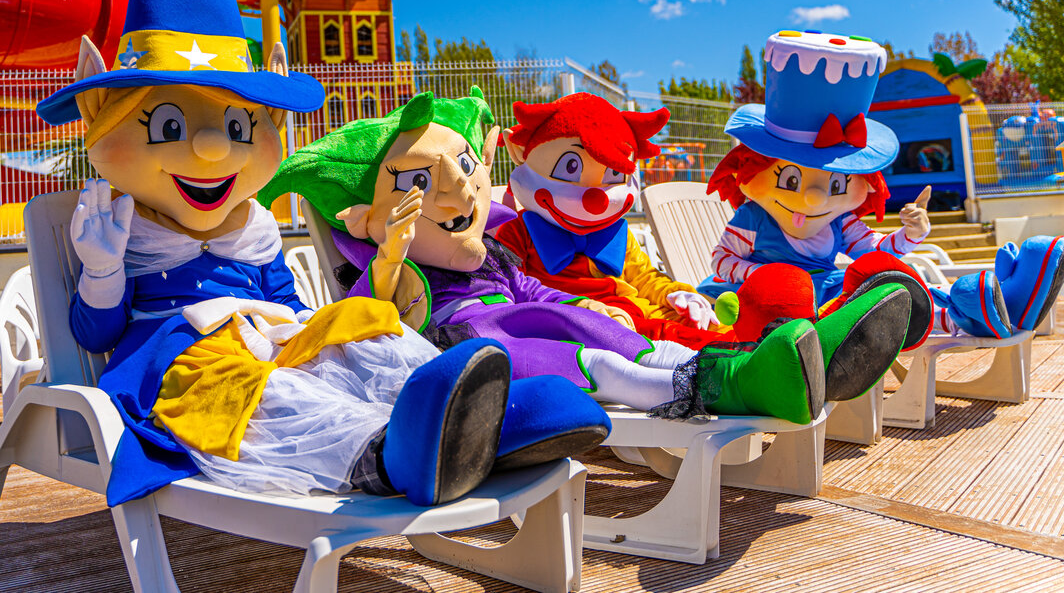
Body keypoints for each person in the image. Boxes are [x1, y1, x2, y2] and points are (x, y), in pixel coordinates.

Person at [35, 0, 607, 508]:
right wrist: (103, 270)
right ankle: (383, 454)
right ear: (100, 120)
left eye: (238, 125)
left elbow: (284, 299)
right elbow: (95, 334)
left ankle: (490, 420)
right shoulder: (120, 226)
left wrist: (332, 332)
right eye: (168, 125)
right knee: (251, 393)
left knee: (361, 322)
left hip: (272, 334)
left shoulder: (252, 228)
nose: (213, 148)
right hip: (178, 357)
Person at [262, 88, 915, 424]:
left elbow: (536, 291)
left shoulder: (492, 250)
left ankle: (774, 356)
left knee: (622, 338)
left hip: (565, 318)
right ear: (364, 218)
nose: (460, 190)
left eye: (464, 166)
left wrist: (593, 305)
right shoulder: (411, 264)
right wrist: (385, 262)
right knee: (601, 362)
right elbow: (369, 320)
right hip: (481, 353)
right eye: (420, 180)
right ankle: (744, 379)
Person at [702, 29, 1064, 342]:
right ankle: (967, 315)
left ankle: (994, 305)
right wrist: (765, 275)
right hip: (778, 306)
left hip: (826, 288)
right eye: (791, 179)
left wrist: (912, 233)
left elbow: (874, 248)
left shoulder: (837, 220)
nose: (814, 197)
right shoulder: (754, 217)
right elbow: (721, 260)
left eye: (838, 182)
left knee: (881, 275)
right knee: (872, 299)